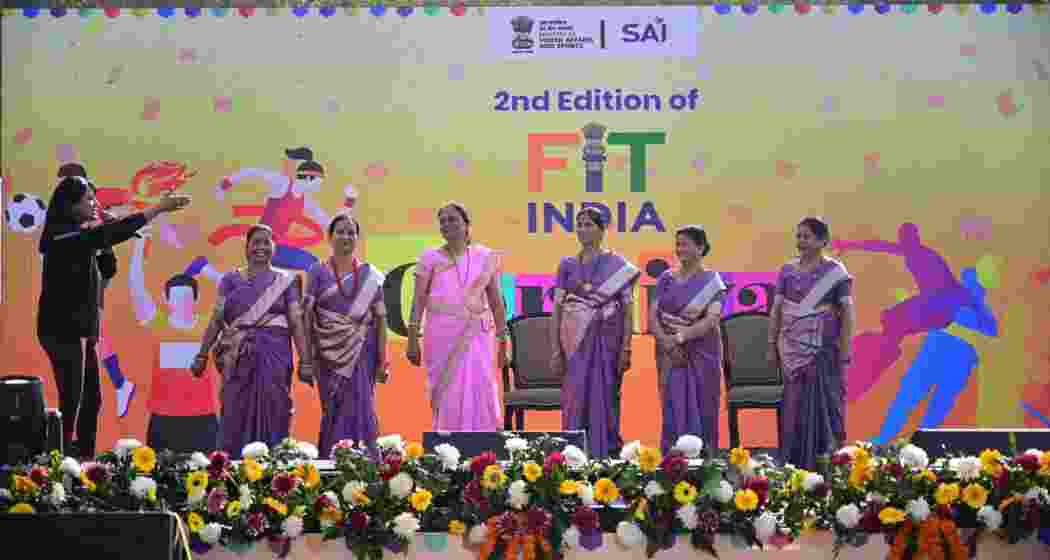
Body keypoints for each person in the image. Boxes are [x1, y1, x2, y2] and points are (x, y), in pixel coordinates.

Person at [37, 176, 189, 459]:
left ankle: (83, 459)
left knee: (91, 400)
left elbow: (107, 269)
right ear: (69, 205)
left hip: (84, 332)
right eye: (88, 200)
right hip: (63, 331)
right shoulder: (62, 236)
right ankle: (60, 462)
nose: (94, 204)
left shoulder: (83, 236)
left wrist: (105, 235)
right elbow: (102, 238)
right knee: (73, 400)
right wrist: (156, 209)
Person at [190, 224, 314, 457]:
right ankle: (233, 468)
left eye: (266, 242)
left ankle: (274, 468)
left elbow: (296, 322)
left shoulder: (286, 281)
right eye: (256, 242)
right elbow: (217, 320)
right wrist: (202, 354)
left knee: (276, 408)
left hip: (274, 356)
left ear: (274, 248)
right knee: (234, 411)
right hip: (237, 358)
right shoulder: (229, 280)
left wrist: (306, 361)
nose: (261, 247)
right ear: (246, 248)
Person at [405, 203, 508, 431]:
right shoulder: (430, 258)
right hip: (441, 334)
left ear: (466, 225)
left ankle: (484, 445)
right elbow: (418, 300)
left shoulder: (484, 256)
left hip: (476, 335)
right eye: (443, 221)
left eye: (453, 219)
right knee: (446, 390)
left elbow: (496, 301)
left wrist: (503, 340)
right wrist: (412, 337)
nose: (447, 224)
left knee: (479, 385)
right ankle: (447, 447)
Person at [551, 207, 638, 458]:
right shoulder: (567, 265)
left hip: (608, 340)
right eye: (579, 224)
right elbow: (558, 309)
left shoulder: (618, 265)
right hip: (574, 342)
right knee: (574, 397)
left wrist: (626, 347)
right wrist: (556, 349)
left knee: (606, 397)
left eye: (588, 224)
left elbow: (628, 309)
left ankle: (605, 453)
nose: (582, 229)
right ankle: (573, 454)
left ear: (602, 230)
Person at [769, 217, 855, 470]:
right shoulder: (786, 270)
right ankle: (794, 463)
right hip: (792, 350)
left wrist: (845, 347)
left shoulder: (835, 272)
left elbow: (847, 312)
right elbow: (777, 309)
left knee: (828, 405)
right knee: (794, 404)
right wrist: (771, 343)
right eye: (798, 236)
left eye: (806, 236)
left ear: (822, 241)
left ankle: (829, 462)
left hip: (825, 351)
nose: (801, 241)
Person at [56, 162, 137, 418]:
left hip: (92, 280)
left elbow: (107, 258)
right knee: (92, 344)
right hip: (69, 290)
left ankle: (120, 384)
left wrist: (106, 231)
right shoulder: (60, 221)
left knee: (94, 338)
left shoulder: (92, 208)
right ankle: (120, 384)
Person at [304, 214, 388, 457]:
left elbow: (381, 318)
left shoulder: (370, 274)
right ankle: (332, 460)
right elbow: (306, 316)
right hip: (327, 353)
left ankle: (366, 462)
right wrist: (307, 358)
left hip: (362, 349)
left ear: (357, 238)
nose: (346, 236)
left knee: (362, 405)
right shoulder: (317, 271)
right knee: (333, 408)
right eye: (340, 231)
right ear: (330, 237)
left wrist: (383, 360)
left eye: (351, 232)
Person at [650, 226, 725, 455]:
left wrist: (680, 337)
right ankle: (672, 466)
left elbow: (711, 320)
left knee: (703, 408)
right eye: (678, 243)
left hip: (703, 352)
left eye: (685, 244)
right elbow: (652, 315)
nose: (679, 248)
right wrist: (666, 342)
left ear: (700, 247)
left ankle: (705, 465)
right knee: (673, 409)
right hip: (669, 354)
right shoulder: (665, 279)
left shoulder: (713, 281)